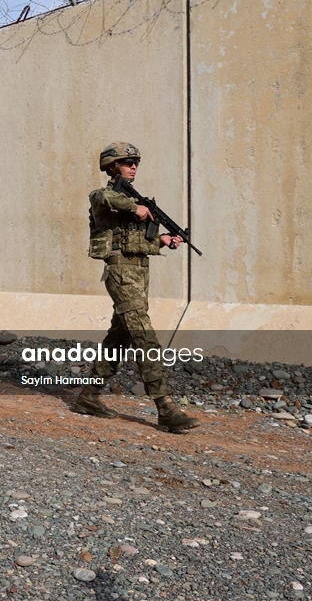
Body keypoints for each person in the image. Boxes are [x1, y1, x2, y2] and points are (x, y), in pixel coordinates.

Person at [76, 142, 199, 433]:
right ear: (111, 166)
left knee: (119, 338)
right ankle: (165, 407)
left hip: (139, 274)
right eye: (127, 162)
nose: (133, 167)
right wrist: (136, 207)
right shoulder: (106, 197)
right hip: (121, 274)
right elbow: (100, 196)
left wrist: (162, 241)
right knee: (145, 337)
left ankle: (88, 396)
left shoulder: (131, 200)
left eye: (136, 163)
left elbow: (133, 242)